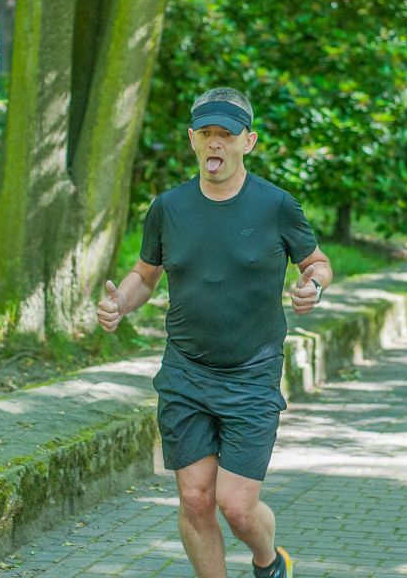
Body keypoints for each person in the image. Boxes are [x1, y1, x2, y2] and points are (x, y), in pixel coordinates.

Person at [96, 87, 332, 578]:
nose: (215, 143)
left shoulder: (276, 206)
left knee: (237, 507)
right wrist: (121, 303)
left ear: (249, 141)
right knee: (195, 498)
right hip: (185, 372)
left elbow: (317, 262)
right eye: (206, 133)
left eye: (226, 133)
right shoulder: (168, 208)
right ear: (192, 139)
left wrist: (312, 285)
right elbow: (146, 275)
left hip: (252, 374)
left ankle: (270, 562)